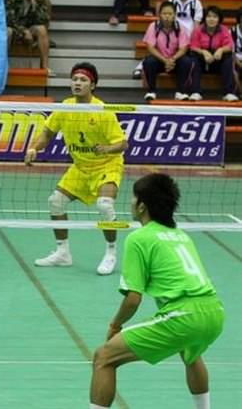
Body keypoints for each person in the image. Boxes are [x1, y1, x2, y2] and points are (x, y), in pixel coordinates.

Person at [89, 173, 225, 409]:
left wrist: (115, 325)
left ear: (142, 206)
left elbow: (133, 299)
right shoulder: (180, 235)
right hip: (214, 312)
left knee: (103, 358)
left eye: (134, 198)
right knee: (190, 353)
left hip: (183, 316)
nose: (130, 202)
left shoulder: (139, 238)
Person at [24, 62, 128, 275]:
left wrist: (107, 148)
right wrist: (34, 148)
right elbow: (47, 133)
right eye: (75, 79)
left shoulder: (102, 111)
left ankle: (110, 252)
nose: (77, 83)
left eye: (83, 80)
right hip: (80, 168)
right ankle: (63, 253)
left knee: (105, 206)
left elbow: (123, 144)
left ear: (93, 85)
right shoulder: (65, 107)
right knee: (55, 202)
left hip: (107, 165)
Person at [141, 1, 193, 101]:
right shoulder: (153, 26)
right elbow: (150, 47)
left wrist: (172, 59)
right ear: (160, 15)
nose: (167, 17)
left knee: (187, 61)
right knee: (149, 62)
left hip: (174, 61)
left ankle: (180, 92)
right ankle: (151, 91)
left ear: (174, 15)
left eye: (170, 14)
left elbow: (183, 48)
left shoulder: (180, 28)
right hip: (159, 60)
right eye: (164, 14)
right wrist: (164, 60)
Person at [5, 0, 53, 76]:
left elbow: (43, 21)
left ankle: (45, 67)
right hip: (15, 29)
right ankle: (2, 65)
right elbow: (9, 19)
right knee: (7, 31)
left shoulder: (43, 0)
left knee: (42, 29)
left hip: (31, 30)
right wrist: (23, 31)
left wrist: (35, 5)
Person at [189, 6, 238, 101]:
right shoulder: (198, 30)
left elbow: (230, 45)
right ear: (205, 18)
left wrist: (221, 50)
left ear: (219, 19)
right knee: (193, 57)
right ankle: (196, 92)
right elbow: (193, 46)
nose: (211, 19)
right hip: (203, 61)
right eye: (209, 16)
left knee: (228, 57)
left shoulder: (223, 29)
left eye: (215, 17)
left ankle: (228, 93)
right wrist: (203, 52)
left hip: (217, 60)